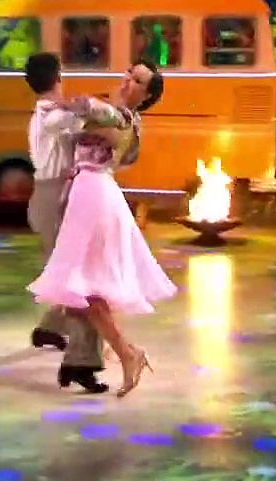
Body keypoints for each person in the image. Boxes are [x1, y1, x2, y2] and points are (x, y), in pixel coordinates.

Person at [27, 58, 174, 398]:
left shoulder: (123, 119)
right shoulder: (115, 114)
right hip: (85, 193)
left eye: (138, 81)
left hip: (93, 195)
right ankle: (115, 351)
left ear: (146, 95)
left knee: (87, 287)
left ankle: (125, 353)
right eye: (130, 73)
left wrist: (73, 106)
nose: (128, 80)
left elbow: (84, 119)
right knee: (83, 286)